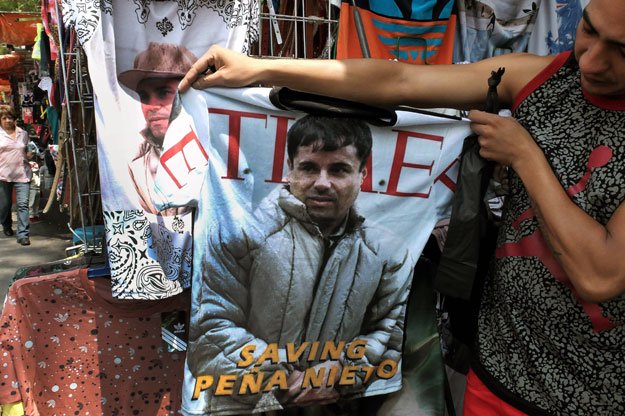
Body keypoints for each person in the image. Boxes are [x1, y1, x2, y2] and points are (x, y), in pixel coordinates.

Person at [180, 0, 625, 414]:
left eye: (621, 50)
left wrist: (524, 154)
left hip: (591, 391)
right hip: (497, 369)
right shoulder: (540, 77)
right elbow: (401, 81)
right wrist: (262, 69)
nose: (590, 60)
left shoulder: (377, 249)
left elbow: (600, 274)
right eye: (587, 31)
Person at [188, 115, 414, 414]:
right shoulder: (240, 231)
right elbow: (209, 330)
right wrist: (282, 380)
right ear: (289, 169)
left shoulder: (389, 251)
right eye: (309, 167)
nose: (322, 182)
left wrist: (340, 374)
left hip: (339, 406)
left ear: (362, 175)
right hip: (248, 407)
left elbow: (389, 331)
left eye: (339, 170)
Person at [118, 42, 197, 215]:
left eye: (163, 93)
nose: (151, 106)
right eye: (144, 96)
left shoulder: (211, 153)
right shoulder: (137, 165)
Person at [0, 105, 32, 246]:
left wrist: (30, 154)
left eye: (10, 118)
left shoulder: (23, 133)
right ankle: (6, 225)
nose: (7, 120)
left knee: (23, 204)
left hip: (22, 173)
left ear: (14, 119)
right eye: (4, 118)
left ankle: (23, 234)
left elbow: (27, 150)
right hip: (3, 175)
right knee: (4, 205)